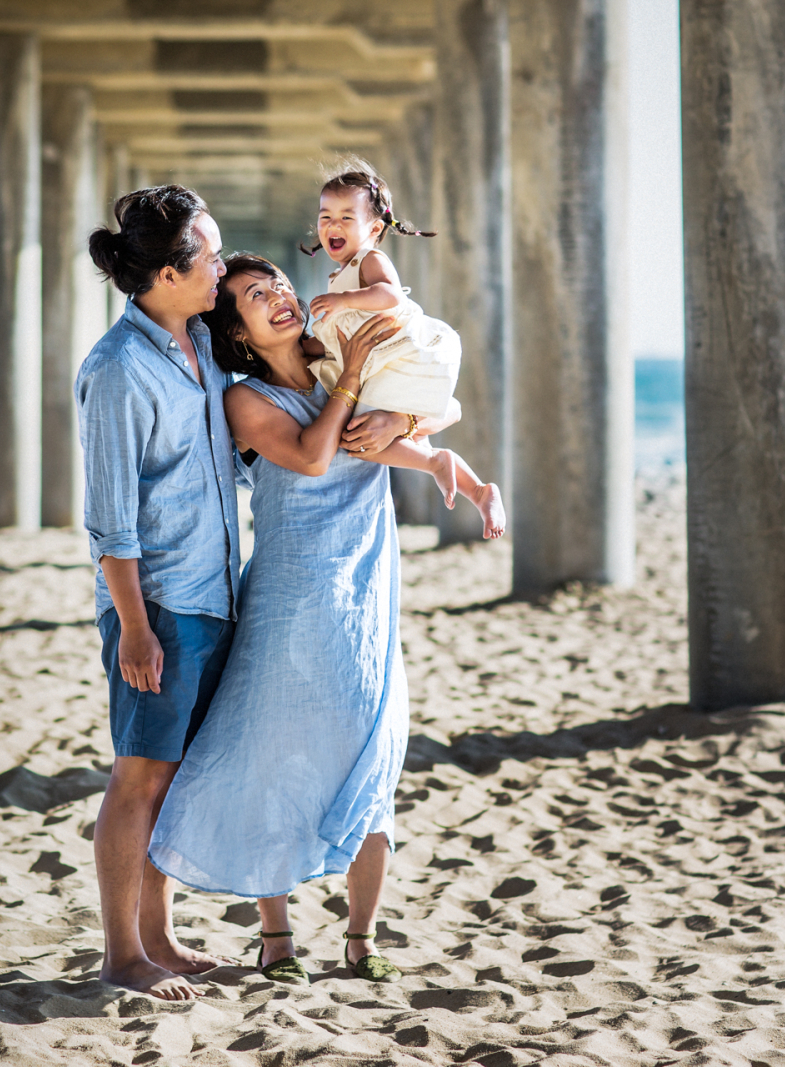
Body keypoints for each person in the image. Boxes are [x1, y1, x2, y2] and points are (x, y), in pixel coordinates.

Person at [149, 253, 455, 985]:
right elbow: (315, 457)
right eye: (256, 296)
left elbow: (434, 396)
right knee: (269, 753)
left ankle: (362, 937)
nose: (280, 296)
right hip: (289, 598)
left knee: (372, 752)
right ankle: (276, 936)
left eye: (279, 283)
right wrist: (352, 379)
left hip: (366, 591)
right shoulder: (244, 400)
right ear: (240, 332)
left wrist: (405, 417)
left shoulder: (341, 364)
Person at [76, 185, 244, 1002]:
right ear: (170, 273)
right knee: (138, 775)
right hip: (158, 606)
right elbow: (110, 520)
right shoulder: (115, 369)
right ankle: (120, 954)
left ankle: (160, 935)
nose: (221, 264)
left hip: (216, 595)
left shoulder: (206, 345)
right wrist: (135, 627)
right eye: (209, 254)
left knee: (173, 777)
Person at [302, 159, 505, 539]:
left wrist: (344, 301)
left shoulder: (369, 261)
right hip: (384, 363)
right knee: (405, 438)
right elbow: (338, 341)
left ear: (375, 228)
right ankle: (478, 491)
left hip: (396, 356)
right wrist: (309, 344)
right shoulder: (339, 276)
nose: (333, 225)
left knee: (361, 441)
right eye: (325, 215)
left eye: (347, 217)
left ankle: (434, 464)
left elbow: (390, 295)